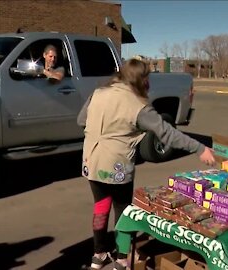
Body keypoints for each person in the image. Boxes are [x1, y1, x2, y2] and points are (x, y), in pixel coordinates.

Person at [77, 59, 216, 270]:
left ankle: (99, 254)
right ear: (141, 79)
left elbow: (81, 120)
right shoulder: (138, 105)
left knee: (101, 205)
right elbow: (168, 134)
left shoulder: (99, 93)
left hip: (91, 160)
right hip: (116, 164)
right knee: (124, 212)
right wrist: (200, 148)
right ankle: (122, 259)